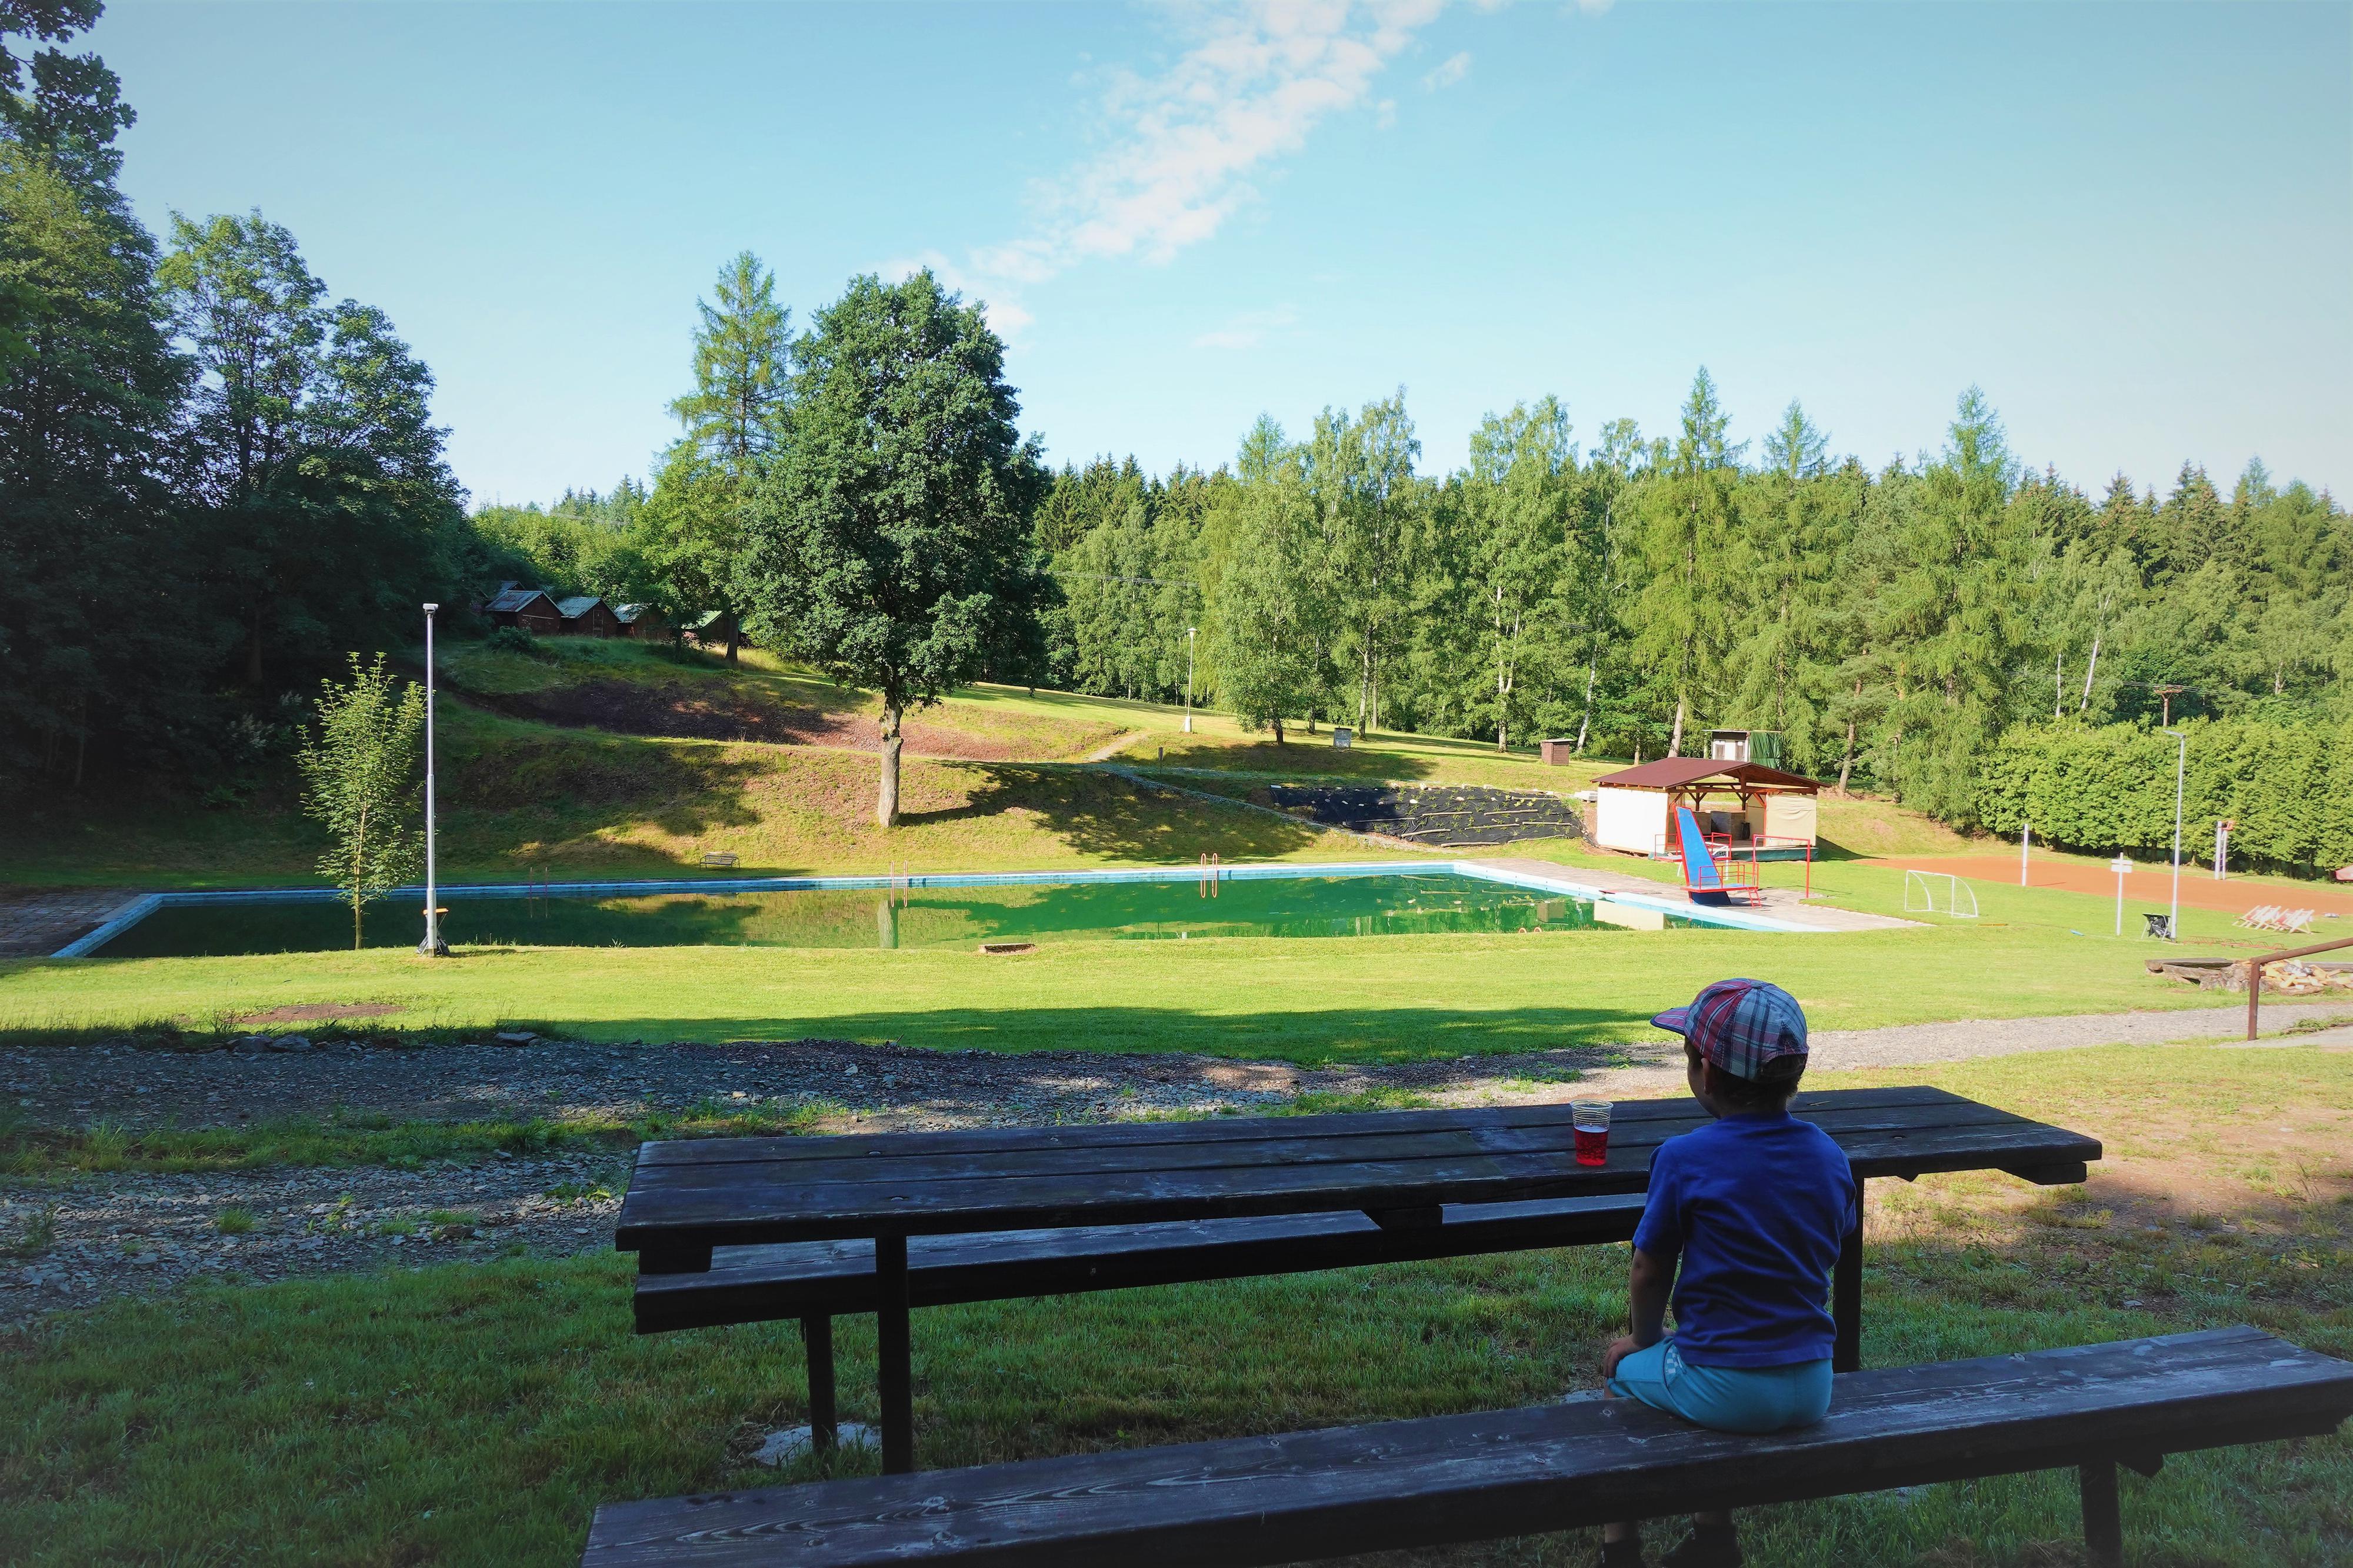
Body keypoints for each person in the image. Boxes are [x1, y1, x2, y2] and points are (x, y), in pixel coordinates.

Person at [1597, 978, 1858, 1568]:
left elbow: (1648, 1264)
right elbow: (1836, 1236)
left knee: (1621, 1374)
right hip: (1813, 1383)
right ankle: (1711, 1539)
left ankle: (1619, 1548)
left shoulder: (1684, 1156)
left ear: (1706, 1071)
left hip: (1728, 1386)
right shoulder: (1828, 1154)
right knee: (1691, 1370)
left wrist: (1641, 1339)